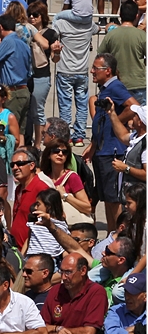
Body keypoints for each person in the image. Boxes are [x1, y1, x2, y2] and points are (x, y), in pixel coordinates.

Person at [86, 54, 138, 232]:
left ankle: (118, 235)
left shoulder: (115, 86)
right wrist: (93, 145)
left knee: (115, 200)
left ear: (107, 71)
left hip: (112, 152)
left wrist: (117, 120)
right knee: (107, 198)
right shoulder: (105, 88)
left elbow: (133, 106)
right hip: (102, 151)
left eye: (96, 68)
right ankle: (111, 233)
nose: (92, 71)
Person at [50, 8, 96, 147]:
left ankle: (67, 135)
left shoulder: (61, 24)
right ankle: (80, 136)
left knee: (65, 105)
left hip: (65, 70)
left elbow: (55, 21)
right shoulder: (89, 25)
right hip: (82, 71)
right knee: (82, 104)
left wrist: (60, 14)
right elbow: (98, 27)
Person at [0, 16, 31, 127]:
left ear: (1, 27)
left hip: (12, 92)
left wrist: (0, 41)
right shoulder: (23, 44)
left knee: (9, 129)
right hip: (24, 91)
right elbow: (29, 70)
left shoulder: (8, 41)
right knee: (20, 132)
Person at [98, 1, 146, 108]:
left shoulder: (111, 35)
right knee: (139, 120)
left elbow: (101, 56)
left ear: (120, 15)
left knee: (117, 119)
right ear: (136, 16)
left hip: (116, 83)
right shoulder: (142, 36)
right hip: (138, 83)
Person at [26, 1, 57, 149]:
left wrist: (56, 51)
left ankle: (38, 143)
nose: (32, 17)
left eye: (35, 15)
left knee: (37, 110)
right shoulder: (24, 31)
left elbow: (55, 58)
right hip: (26, 75)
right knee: (27, 110)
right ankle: (27, 140)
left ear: (42, 16)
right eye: (29, 15)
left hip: (41, 76)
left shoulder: (50, 33)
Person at [40, 139, 93, 223]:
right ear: (48, 155)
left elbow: (87, 208)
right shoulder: (42, 177)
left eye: (64, 152)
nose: (60, 154)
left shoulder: (72, 177)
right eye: (56, 151)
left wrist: (65, 196)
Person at [9, 148, 49, 248]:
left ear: (32, 165)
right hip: (17, 248)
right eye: (12, 165)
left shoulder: (41, 188)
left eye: (20, 164)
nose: (15, 167)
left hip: (32, 251)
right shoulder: (18, 188)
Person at [107, 103, 147, 194]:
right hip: (130, 198)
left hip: (140, 201)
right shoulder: (137, 136)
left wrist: (126, 168)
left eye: (135, 116)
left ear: (140, 122)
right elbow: (122, 135)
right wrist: (112, 113)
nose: (132, 117)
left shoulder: (146, 144)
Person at [91, 237, 137, 306]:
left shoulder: (123, 291)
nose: (103, 253)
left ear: (121, 260)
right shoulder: (104, 271)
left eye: (108, 252)